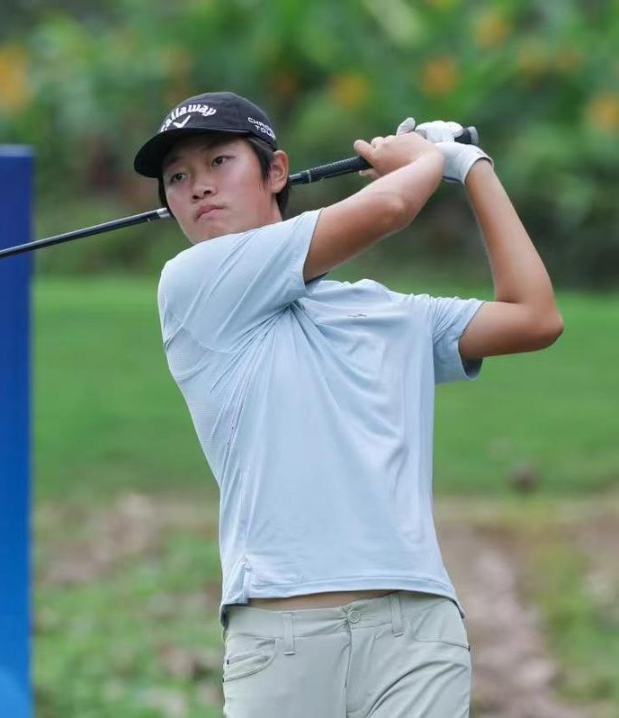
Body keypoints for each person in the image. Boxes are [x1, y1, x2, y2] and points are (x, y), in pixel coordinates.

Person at [132, 91, 563, 717]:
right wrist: (425, 159)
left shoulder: (390, 313)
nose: (197, 187)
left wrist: (471, 166)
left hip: (415, 632)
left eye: (218, 162)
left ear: (276, 172)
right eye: (177, 178)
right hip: (279, 637)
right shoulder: (192, 287)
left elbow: (534, 316)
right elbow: (389, 205)